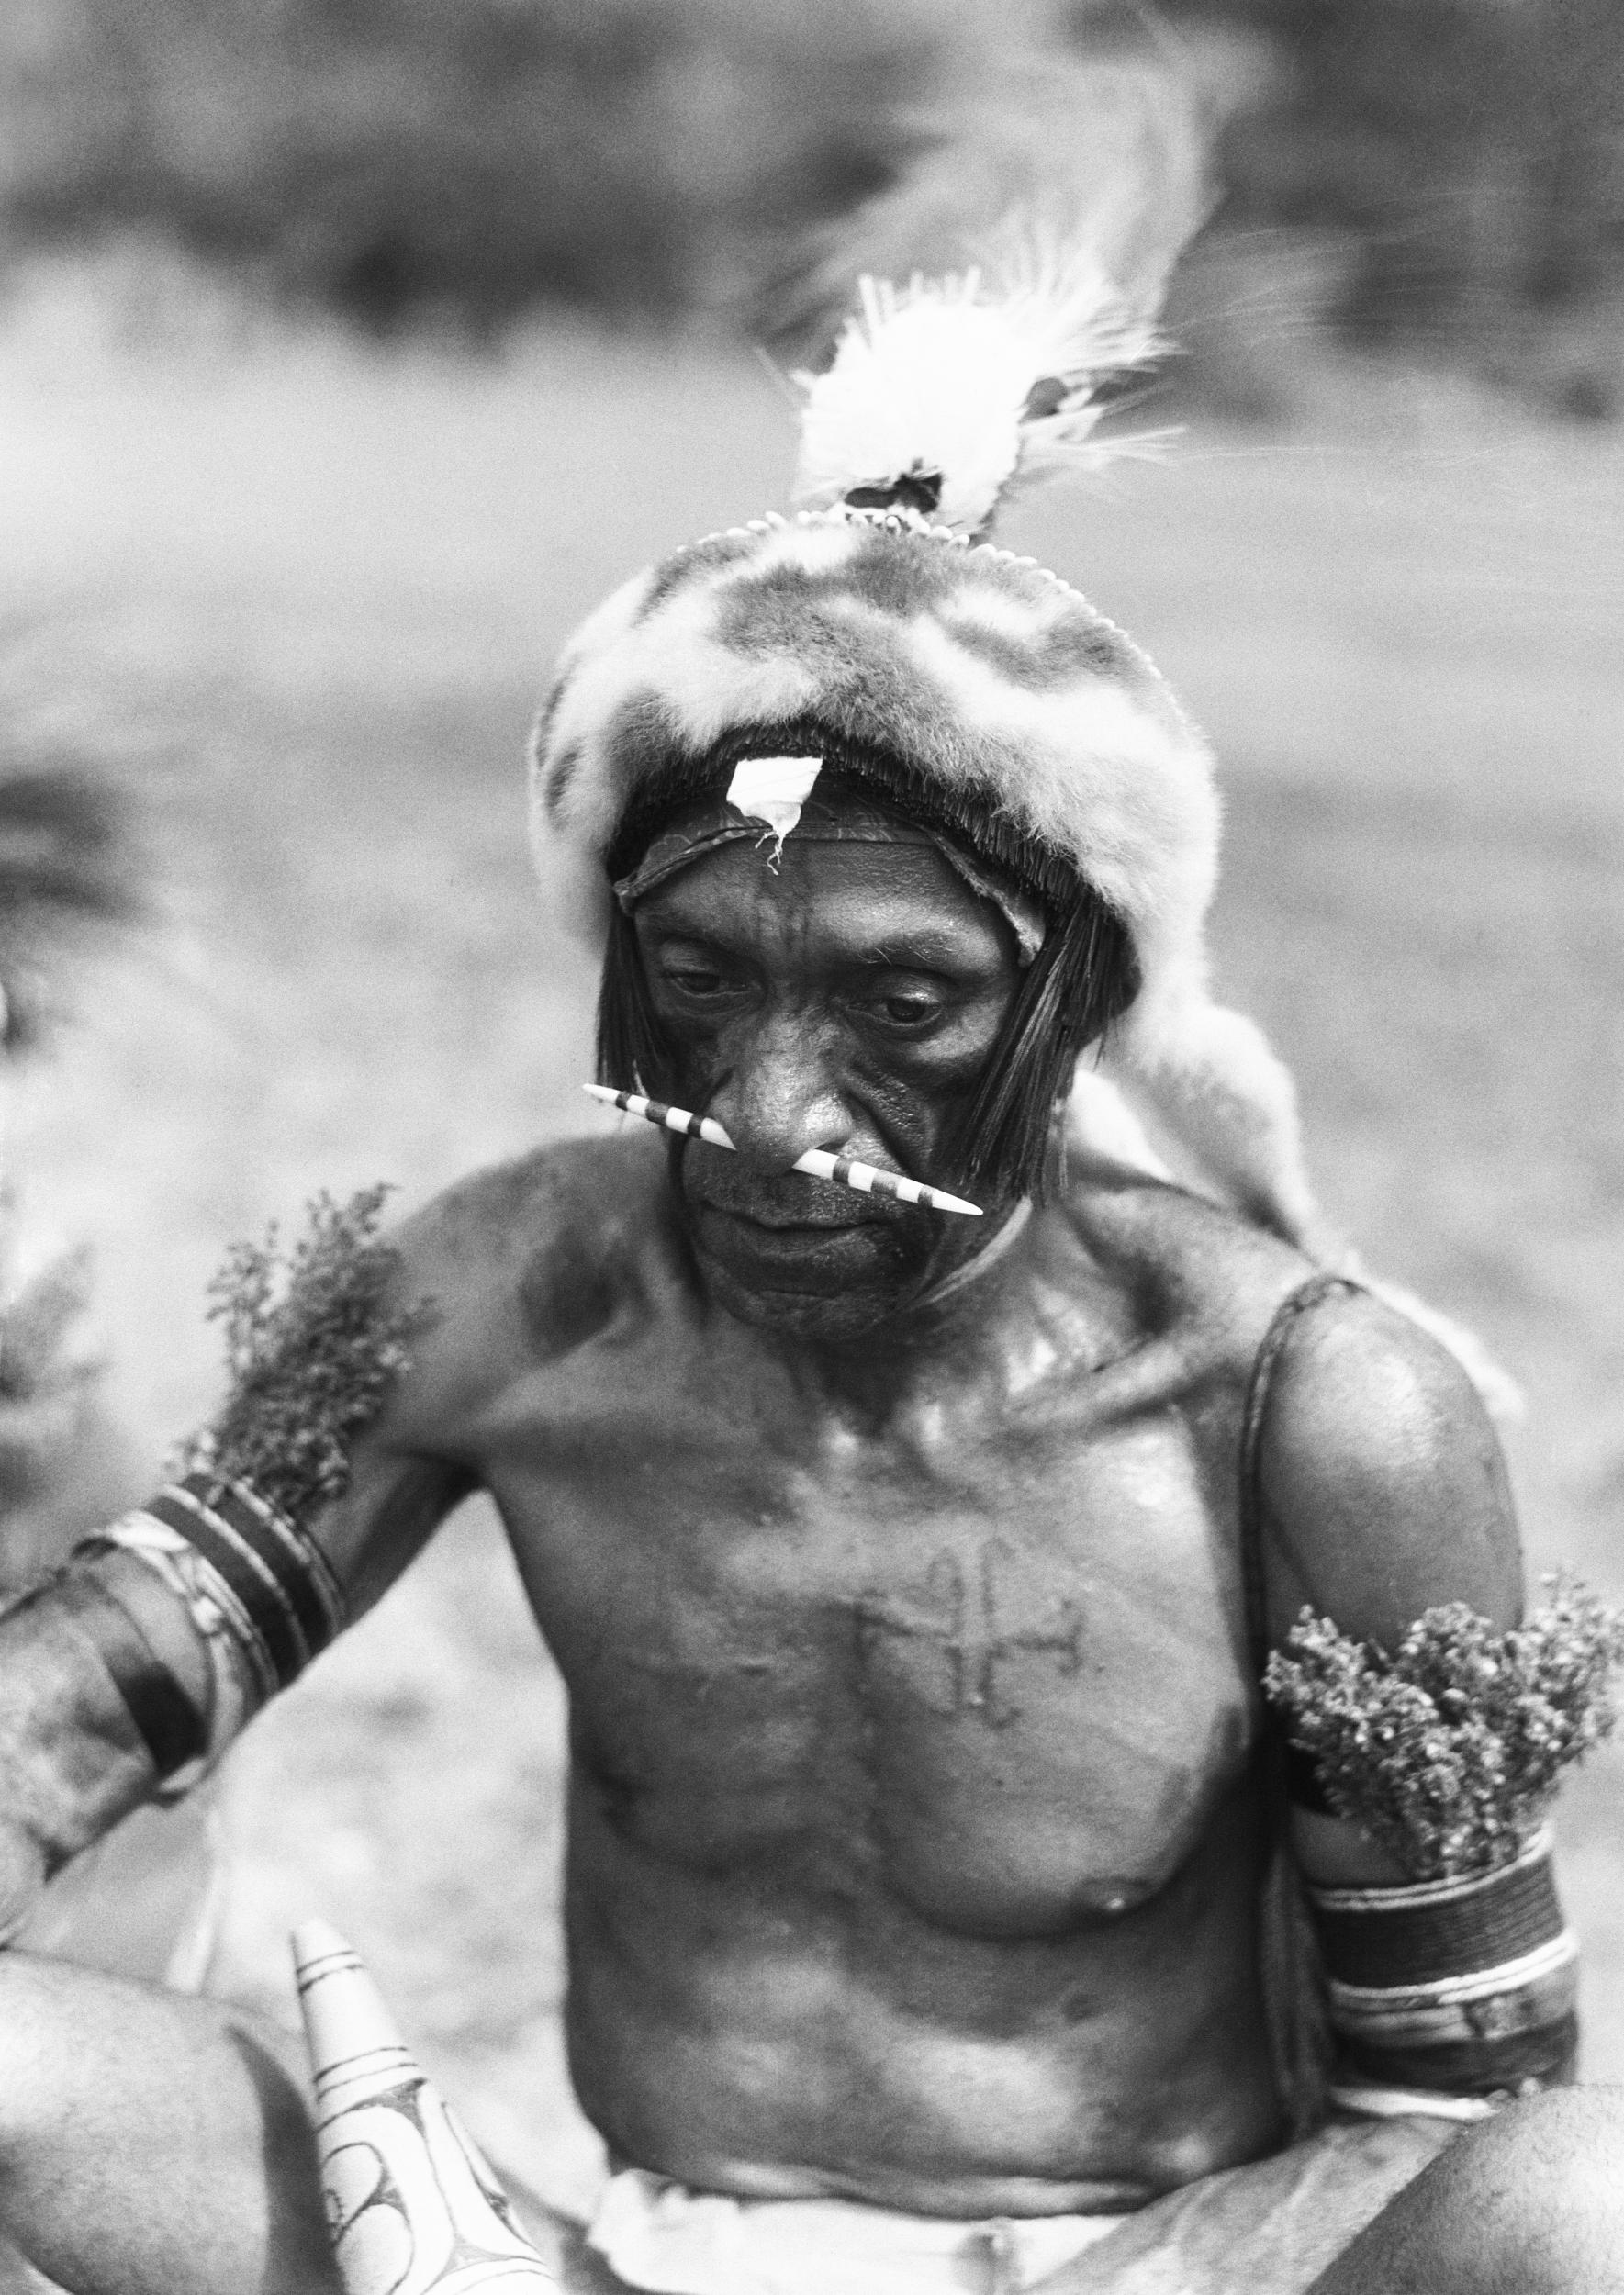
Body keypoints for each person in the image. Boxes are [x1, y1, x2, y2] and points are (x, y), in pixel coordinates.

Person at [0, 232, 1620, 2295]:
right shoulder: (507, 1284)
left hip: (1159, 2265)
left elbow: (1451, 2114)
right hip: (607, 2259)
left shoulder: (1311, 1405)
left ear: (1075, 1003)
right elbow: (61, 1721)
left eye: (906, 999)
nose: (774, 1108)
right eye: (698, 980)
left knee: (1584, 2197)